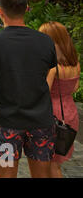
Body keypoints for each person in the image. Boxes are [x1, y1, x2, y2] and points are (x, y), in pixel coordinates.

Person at [0, 0, 57, 178]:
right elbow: (49, 68)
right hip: (41, 123)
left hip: (6, 125)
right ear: (27, 8)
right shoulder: (45, 41)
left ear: (0, 12)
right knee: (42, 176)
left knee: (6, 175)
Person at [38, 21, 80, 178]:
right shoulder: (75, 63)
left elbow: (43, 92)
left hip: (51, 114)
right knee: (56, 161)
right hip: (70, 113)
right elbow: (74, 88)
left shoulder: (52, 67)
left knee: (51, 165)